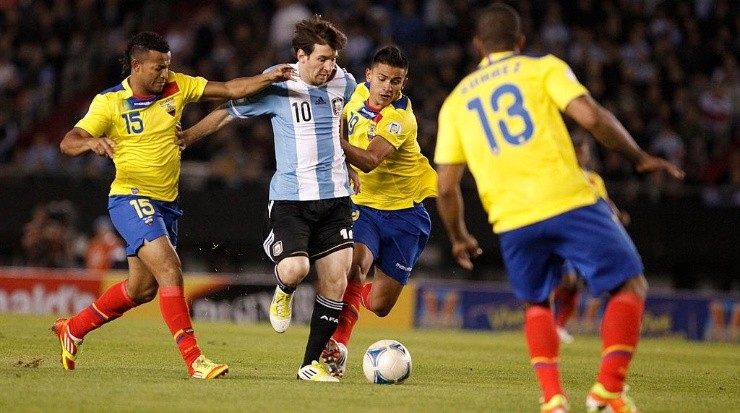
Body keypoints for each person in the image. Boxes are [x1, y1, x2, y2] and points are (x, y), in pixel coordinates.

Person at [434, 4, 684, 413]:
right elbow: (592, 117)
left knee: (537, 303)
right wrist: (638, 157)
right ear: (520, 42)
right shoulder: (542, 67)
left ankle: (553, 399)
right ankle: (606, 391)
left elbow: (446, 187)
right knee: (630, 285)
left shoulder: (455, 102)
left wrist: (460, 235)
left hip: (511, 218)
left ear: (478, 46)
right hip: (566, 199)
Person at [53, 31, 295, 379]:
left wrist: (267, 77)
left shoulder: (178, 87)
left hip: (167, 204)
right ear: (136, 66)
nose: (164, 73)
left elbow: (228, 89)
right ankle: (195, 360)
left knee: (142, 289)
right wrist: (92, 142)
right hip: (130, 196)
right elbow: (67, 142)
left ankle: (73, 329)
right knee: (170, 268)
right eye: (157, 67)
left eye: (167, 66)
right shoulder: (109, 102)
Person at [180, 15, 357, 382]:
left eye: (334, 59)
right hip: (292, 200)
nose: (330, 66)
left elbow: (342, 122)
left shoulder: (347, 82)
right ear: (301, 55)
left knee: (336, 282)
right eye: (322, 59)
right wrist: (187, 138)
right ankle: (283, 289)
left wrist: (349, 162)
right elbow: (228, 113)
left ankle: (310, 365)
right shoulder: (279, 82)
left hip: (337, 199)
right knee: (297, 269)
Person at [319, 45, 437, 378]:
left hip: (405, 215)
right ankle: (338, 348)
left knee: (381, 306)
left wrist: (336, 146)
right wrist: (345, 165)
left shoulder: (401, 118)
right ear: (369, 75)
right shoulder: (355, 94)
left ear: (404, 82)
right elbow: (340, 122)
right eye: (382, 78)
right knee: (356, 265)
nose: (387, 87)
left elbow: (369, 160)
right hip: (363, 207)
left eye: (396, 82)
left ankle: (357, 300)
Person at [553, 133, 631, 344]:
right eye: (579, 151)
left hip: (583, 238)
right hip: (562, 233)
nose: (582, 155)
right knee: (567, 279)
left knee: (575, 284)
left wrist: (616, 216)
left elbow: (604, 202)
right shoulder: (562, 174)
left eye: (584, 152)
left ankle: (558, 327)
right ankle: (543, 315)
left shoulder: (594, 179)